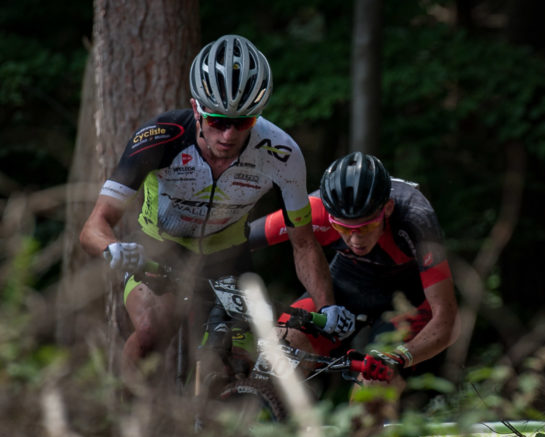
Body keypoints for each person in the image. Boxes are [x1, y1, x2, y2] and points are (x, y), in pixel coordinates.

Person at [79, 34, 354, 384]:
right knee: (150, 334)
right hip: (160, 249)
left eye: (243, 122)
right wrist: (112, 248)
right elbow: (94, 225)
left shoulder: (281, 154)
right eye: (217, 121)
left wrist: (326, 305)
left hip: (227, 256)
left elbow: (303, 242)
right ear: (197, 110)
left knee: (232, 361)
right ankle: (121, 429)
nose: (228, 134)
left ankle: (215, 429)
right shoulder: (161, 138)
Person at [248, 152, 459, 422]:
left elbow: (448, 318)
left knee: (372, 387)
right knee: (280, 348)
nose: (355, 239)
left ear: (388, 209)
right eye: (344, 229)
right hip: (347, 283)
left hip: (406, 299)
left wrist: (399, 357)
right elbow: (238, 239)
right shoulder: (315, 208)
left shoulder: (416, 218)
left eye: (366, 226)